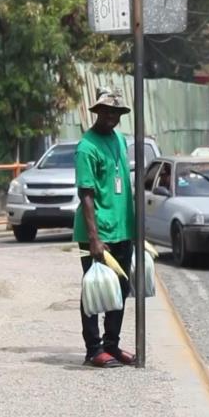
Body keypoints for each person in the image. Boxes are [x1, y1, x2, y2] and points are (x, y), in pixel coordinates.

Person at [73, 88, 136, 368]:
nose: (112, 116)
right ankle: (93, 348)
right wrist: (94, 239)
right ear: (97, 111)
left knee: (119, 290)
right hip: (98, 232)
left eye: (117, 112)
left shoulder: (120, 140)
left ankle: (112, 344)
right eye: (107, 111)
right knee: (96, 288)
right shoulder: (87, 147)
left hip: (123, 229)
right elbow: (86, 194)